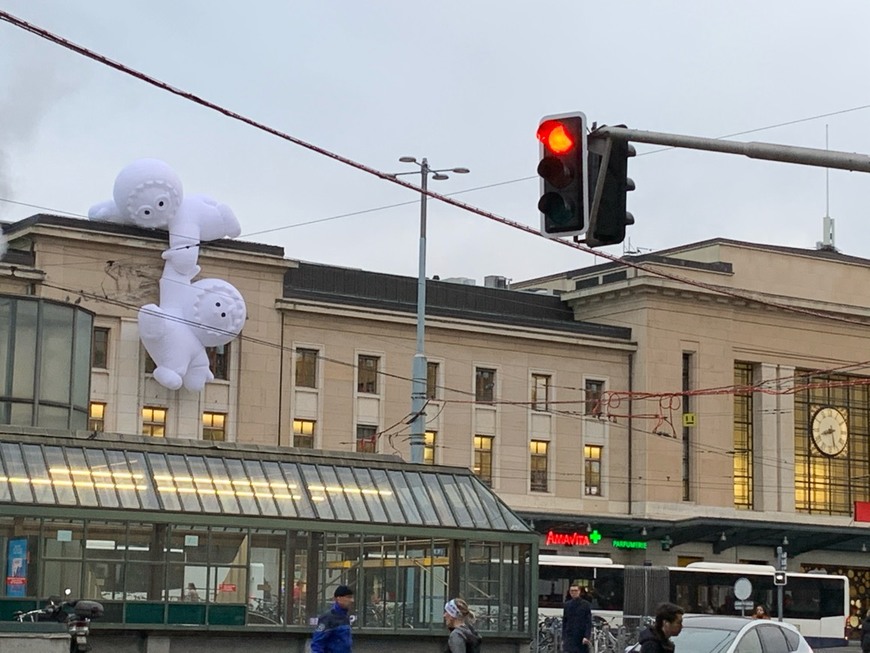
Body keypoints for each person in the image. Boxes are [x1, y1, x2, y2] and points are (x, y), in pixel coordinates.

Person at [310, 585, 354, 653]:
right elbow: (317, 643)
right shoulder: (328, 618)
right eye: (348, 597)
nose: (352, 600)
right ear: (338, 598)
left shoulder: (346, 617)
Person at [561, 584, 592, 653]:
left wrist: (587, 636)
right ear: (569, 592)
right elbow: (565, 621)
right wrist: (563, 637)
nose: (574, 593)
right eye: (572, 591)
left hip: (581, 636)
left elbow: (588, 622)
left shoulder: (586, 605)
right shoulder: (567, 605)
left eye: (575, 590)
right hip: (569, 635)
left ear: (579, 592)